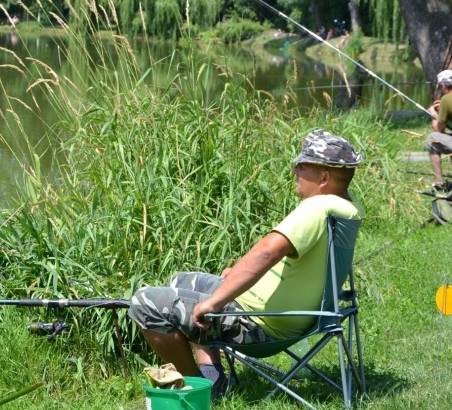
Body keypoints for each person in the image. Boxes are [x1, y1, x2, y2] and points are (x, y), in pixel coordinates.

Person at [127, 129, 364, 398]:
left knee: (144, 302)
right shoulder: (348, 207)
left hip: (260, 326)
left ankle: (197, 390)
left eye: (302, 166)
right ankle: (213, 376)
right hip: (288, 317)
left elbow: (267, 252)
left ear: (324, 177)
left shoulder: (318, 207)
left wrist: (215, 303)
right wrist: (236, 273)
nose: (294, 171)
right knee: (180, 281)